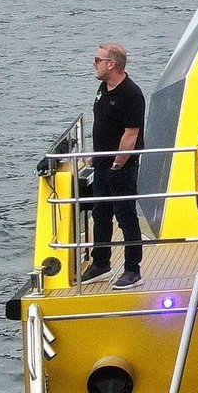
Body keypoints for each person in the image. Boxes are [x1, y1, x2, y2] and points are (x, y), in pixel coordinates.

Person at [83, 43, 146, 289]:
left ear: (112, 64)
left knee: (126, 216)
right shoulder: (103, 88)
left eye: (97, 60)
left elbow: (131, 134)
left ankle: (133, 269)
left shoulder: (131, 94)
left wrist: (118, 163)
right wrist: (96, 156)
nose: (94, 64)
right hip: (102, 163)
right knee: (100, 213)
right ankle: (101, 262)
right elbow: (103, 123)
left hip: (121, 167)